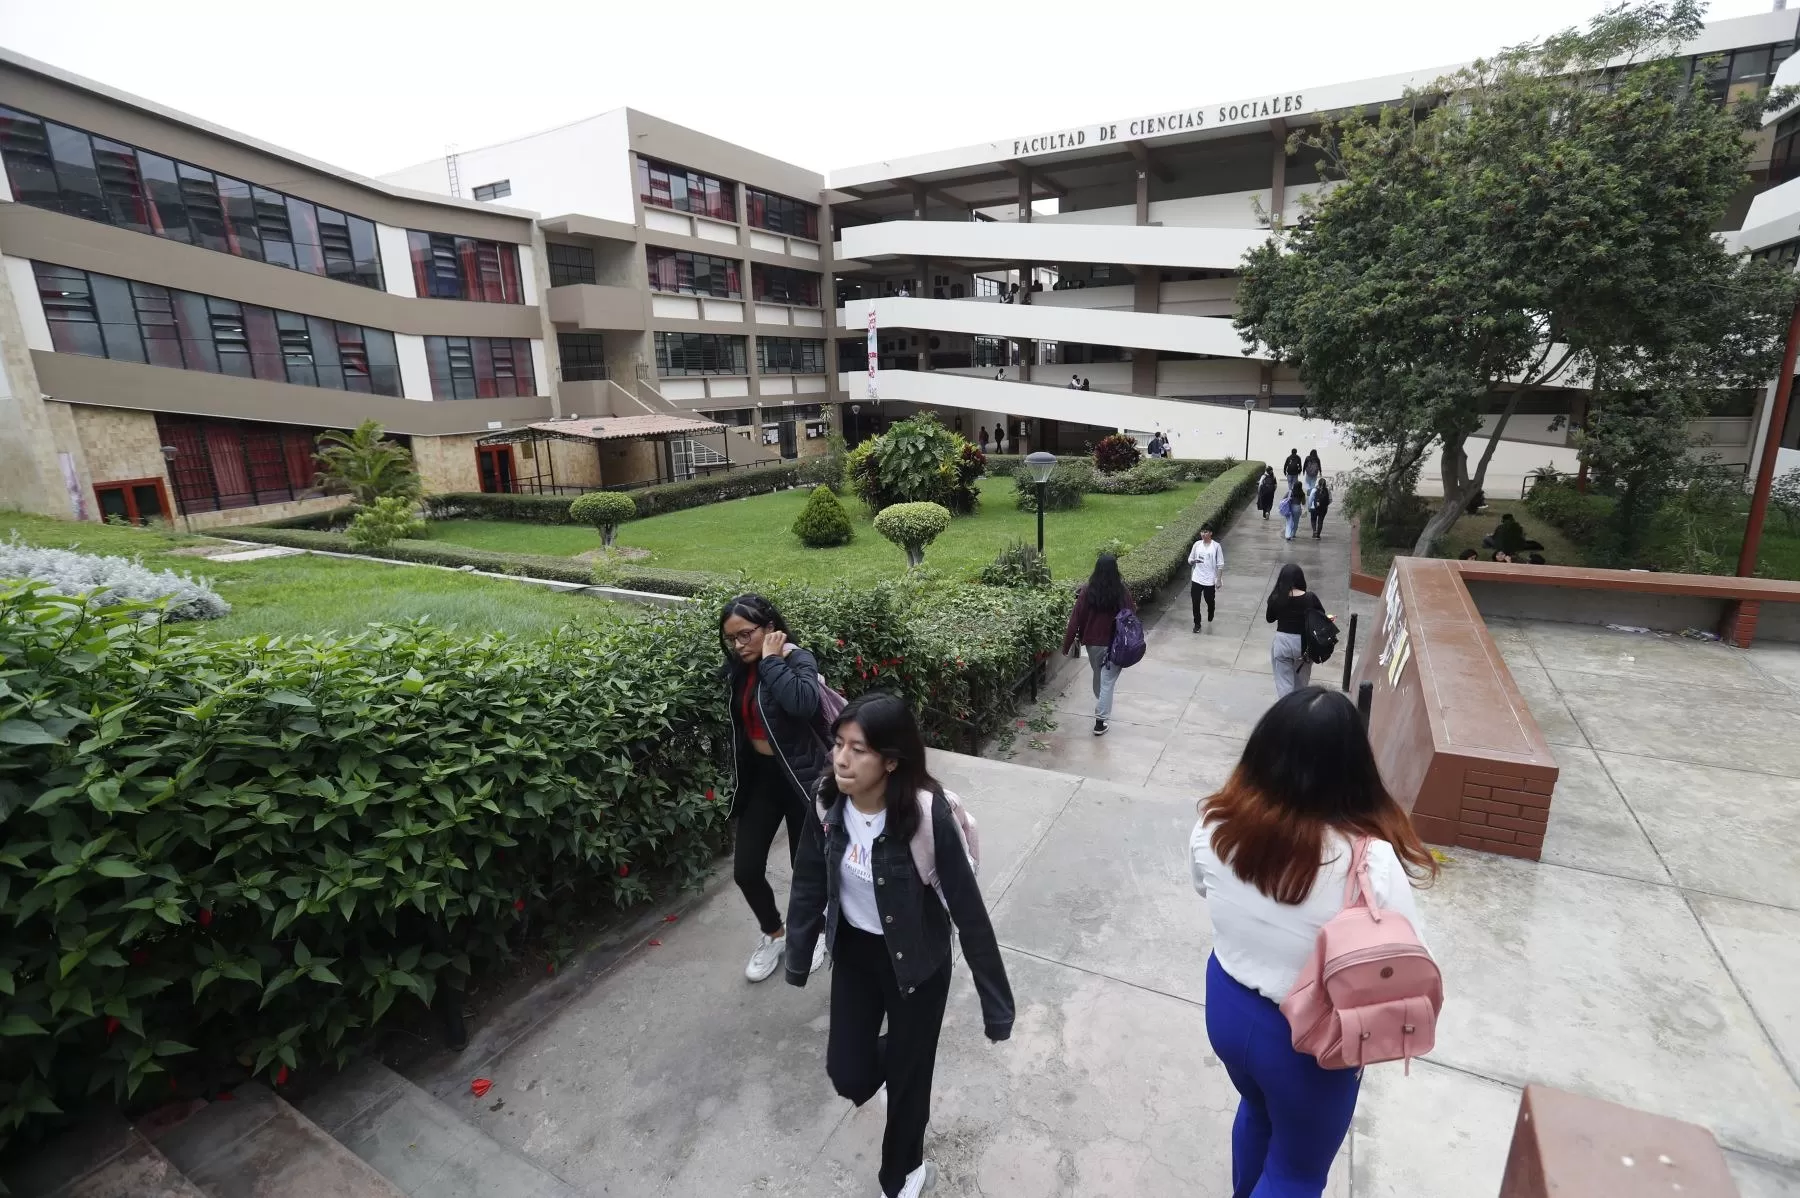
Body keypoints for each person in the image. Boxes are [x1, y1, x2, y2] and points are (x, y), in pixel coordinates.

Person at [1190, 687, 1437, 1198]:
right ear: (1354, 768)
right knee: (1297, 1173)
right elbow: (1408, 958)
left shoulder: (1215, 826)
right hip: (1310, 1043)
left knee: (1257, 1112)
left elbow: (1202, 887)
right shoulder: (1371, 862)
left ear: (1261, 753)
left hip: (1229, 1009)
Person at [786, 692, 1014, 1198]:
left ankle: (904, 1172)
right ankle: (901, 1059)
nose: (841, 759)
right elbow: (806, 878)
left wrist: (996, 1006)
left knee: (910, 1084)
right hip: (857, 956)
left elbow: (969, 914)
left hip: (919, 966)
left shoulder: (926, 817)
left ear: (891, 760)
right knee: (849, 1075)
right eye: (838, 744)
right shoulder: (825, 802)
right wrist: (799, 953)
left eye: (858, 749)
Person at [720, 595, 832, 982]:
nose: (739, 645)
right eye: (731, 638)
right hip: (763, 781)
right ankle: (774, 934)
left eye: (746, 635)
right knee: (746, 869)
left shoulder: (797, 658)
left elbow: (802, 703)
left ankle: (814, 933)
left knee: (808, 872)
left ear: (770, 628)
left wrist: (771, 660)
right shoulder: (738, 669)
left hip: (802, 780)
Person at [1062, 553, 1136, 736]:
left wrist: (1066, 645)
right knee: (1107, 681)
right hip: (1114, 645)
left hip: (1092, 644)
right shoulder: (1121, 592)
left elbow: (1075, 619)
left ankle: (1102, 703)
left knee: (1101, 677)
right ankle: (1100, 722)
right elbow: (1131, 614)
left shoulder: (1087, 591)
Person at [1266, 564, 1326, 698]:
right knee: (1301, 684)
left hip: (1282, 643)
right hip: (1304, 644)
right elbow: (1320, 617)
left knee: (1283, 683)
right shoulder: (1310, 598)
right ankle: (1299, 709)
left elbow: (1270, 618)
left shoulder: (1277, 597)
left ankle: (1286, 712)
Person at [1187, 524, 1224, 633]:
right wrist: (1193, 561)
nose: (1203, 534)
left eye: (1206, 532)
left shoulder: (1216, 547)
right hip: (1197, 578)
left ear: (1211, 533)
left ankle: (1211, 610)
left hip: (1209, 579)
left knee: (1209, 600)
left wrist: (1218, 579)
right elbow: (1190, 559)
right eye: (1202, 532)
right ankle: (1197, 623)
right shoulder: (1197, 545)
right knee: (1195, 602)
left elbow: (1220, 564)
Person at [1280, 477, 1305, 542]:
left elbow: (1283, 499)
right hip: (1298, 508)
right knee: (1296, 522)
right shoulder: (1302, 494)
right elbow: (1303, 502)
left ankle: (1288, 535)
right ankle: (1293, 534)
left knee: (1289, 522)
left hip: (1290, 508)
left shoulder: (1290, 492)